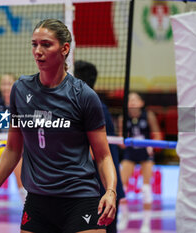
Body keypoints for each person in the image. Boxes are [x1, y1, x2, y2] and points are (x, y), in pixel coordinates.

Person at [0, 19, 117, 233]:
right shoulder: (20, 90)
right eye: (34, 44)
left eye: (46, 44)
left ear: (65, 49)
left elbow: (103, 155)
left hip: (80, 199)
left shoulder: (84, 95)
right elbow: (12, 149)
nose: (37, 51)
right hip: (38, 202)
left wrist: (111, 191)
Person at [74, 60, 126, 233]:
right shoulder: (91, 105)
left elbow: (95, 153)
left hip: (99, 188)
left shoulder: (91, 107)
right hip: (99, 186)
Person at [117, 92, 162, 233]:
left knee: (146, 189)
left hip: (145, 154)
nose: (132, 102)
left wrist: (152, 145)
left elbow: (158, 135)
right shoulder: (123, 118)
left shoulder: (148, 115)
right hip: (130, 153)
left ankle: (146, 223)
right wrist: (124, 142)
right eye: (130, 100)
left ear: (142, 103)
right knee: (121, 188)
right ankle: (125, 215)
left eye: (135, 100)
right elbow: (120, 141)